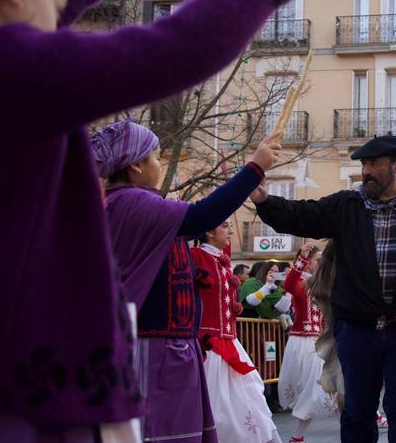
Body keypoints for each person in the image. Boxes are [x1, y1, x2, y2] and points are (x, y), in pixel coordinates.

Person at [0, 0, 322, 439]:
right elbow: (179, 48)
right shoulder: (10, 67)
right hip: (22, 369)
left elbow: (13, 10)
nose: (56, 31)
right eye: (54, 15)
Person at [251, 135, 396, 443]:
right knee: (358, 411)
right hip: (358, 330)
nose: (366, 171)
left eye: (374, 164)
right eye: (364, 164)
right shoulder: (346, 205)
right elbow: (302, 215)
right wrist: (264, 202)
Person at [94, 120, 281, 443]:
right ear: (136, 166)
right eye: (154, 157)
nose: (159, 164)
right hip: (153, 348)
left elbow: (196, 224)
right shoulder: (132, 202)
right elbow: (202, 217)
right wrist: (254, 168)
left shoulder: (129, 203)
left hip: (168, 345)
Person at [191, 222, 281, 443]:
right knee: (217, 404)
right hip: (209, 345)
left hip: (231, 342)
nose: (231, 231)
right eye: (225, 226)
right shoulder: (195, 256)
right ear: (209, 232)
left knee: (249, 396)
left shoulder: (222, 260)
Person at [278, 243, 340, 443]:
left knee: (323, 387)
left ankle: (297, 437)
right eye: (317, 260)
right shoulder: (301, 283)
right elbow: (288, 285)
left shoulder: (324, 283)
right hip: (302, 343)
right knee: (312, 389)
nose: (321, 264)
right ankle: (297, 436)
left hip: (319, 343)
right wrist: (301, 259)